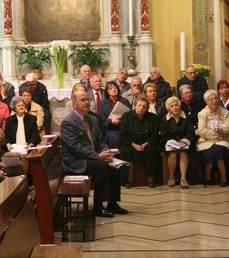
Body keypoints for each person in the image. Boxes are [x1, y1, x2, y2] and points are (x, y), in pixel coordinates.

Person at [61, 90, 127, 218]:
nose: (87, 102)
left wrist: (106, 152)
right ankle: (98, 207)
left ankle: (112, 203)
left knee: (115, 165)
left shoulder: (92, 119)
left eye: (87, 99)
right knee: (101, 167)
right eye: (83, 100)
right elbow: (76, 148)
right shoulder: (68, 122)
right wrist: (98, 156)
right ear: (74, 103)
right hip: (76, 161)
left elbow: (100, 141)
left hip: (92, 156)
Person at [120, 95, 160, 188]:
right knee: (125, 150)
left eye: (144, 106)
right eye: (139, 106)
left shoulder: (153, 118)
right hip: (130, 143)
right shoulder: (126, 116)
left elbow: (154, 134)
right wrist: (134, 145)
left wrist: (146, 144)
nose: (141, 108)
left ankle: (151, 178)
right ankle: (128, 179)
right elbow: (123, 134)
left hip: (147, 143)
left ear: (147, 108)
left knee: (154, 149)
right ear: (135, 105)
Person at [197, 90, 229, 187]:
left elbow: (228, 127)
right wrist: (216, 134)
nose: (214, 101)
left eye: (216, 98)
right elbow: (202, 130)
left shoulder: (225, 112)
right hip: (207, 141)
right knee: (209, 150)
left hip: (222, 140)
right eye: (211, 99)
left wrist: (219, 128)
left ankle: (223, 177)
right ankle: (208, 176)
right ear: (206, 102)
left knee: (219, 149)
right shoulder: (202, 113)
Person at [160, 96, 195, 188]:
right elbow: (163, 134)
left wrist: (185, 141)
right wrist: (171, 141)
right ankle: (171, 177)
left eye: (176, 105)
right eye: (172, 106)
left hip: (184, 143)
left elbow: (191, 132)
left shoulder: (187, 117)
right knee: (173, 153)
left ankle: (183, 179)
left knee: (183, 153)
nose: (175, 107)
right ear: (168, 109)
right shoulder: (164, 120)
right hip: (170, 144)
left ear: (180, 106)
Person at [101, 81, 131, 148]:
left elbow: (129, 115)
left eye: (115, 88)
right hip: (110, 129)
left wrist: (120, 120)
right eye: (110, 89)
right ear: (107, 92)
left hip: (123, 127)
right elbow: (101, 118)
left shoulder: (125, 101)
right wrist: (111, 121)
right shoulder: (103, 103)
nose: (113, 90)